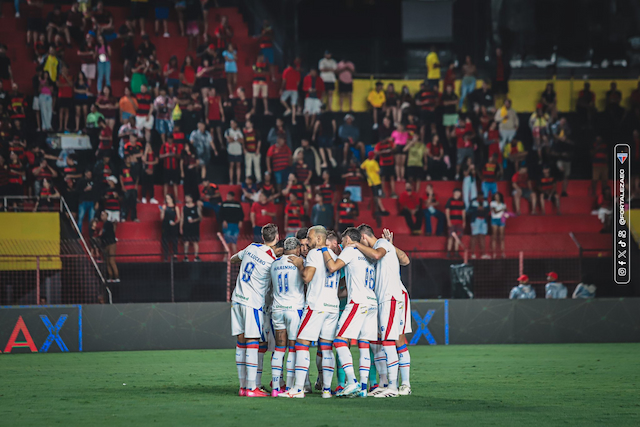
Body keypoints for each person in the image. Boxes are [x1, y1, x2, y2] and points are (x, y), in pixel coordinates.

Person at [351, 224, 411, 398]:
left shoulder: (380, 245)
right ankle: (388, 384)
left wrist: (355, 245)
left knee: (391, 340)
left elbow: (402, 259)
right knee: (384, 341)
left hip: (391, 297)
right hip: (384, 299)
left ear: (363, 237)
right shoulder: (380, 248)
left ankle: (396, 385)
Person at [278, 226, 338, 399]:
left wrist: (299, 265)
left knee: (301, 344)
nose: (308, 242)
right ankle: (326, 390)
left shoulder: (313, 254)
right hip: (332, 307)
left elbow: (307, 277)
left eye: (310, 238)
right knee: (326, 348)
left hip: (316, 306)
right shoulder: (333, 256)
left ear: (319, 239)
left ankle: (298, 388)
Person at [321, 227, 377, 398]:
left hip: (357, 302)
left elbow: (332, 267)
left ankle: (352, 381)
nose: (341, 243)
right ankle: (363, 389)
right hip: (372, 303)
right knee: (364, 345)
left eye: (343, 240)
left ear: (349, 240)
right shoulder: (367, 255)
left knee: (339, 340)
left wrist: (323, 249)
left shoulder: (350, 250)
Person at [231, 223, 278, 398]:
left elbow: (233, 259)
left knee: (241, 342)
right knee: (252, 342)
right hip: (252, 303)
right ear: (277, 237)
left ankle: (243, 387)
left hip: (237, 299)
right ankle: (252, 388)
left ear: (262, 236)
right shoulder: (272, 260)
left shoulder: (251, 247)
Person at [360, 152, 390, 216]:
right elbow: (378, 171)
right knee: (378, 196)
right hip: (376, 181)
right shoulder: (374, 162)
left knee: (375, 195)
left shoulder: (366, 161)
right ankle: (381, 210)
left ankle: (379, 209)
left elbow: (362, 167)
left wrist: (366, 173)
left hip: (370, 182)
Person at [99, 210, 119, 283]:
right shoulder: (105, 224)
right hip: (106, 244)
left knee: (111, 261)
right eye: (101, 215)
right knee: (107, 261)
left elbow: (106, 234)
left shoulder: (108, 224)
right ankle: (111, 277)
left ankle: (116, 277)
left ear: (107, 216)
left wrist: (101, 236)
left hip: (111, 244)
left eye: (103, 215)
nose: (102, 217)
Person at [180, 194, 201, 262]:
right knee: (186, 242)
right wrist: (181, 227)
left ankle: (196, 256)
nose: (186, 199)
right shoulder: (184, 208)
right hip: (186, 227)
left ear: (191, 199)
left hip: (194, 227)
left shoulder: (196, 207)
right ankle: (186, 256)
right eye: (186, 198)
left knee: (195, 241)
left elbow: (200, 217)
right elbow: (182, 218)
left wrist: (194, 220)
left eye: (188, 198)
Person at [468, 193, 490, 259]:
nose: (481, 197)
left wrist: (484, 209)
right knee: (474, 236)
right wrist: (477, 209)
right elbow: (469, 211)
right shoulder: (473, 202)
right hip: (475, 220)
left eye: (482, 196)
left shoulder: (485, 202)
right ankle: (472, 254)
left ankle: (483, 254)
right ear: (477, 196)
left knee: (482, 237)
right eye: (479, 196)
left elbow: (488, 210)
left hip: (483, 221)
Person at [445, 188, 465, 258]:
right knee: (450, 237)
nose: (458, 194)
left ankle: (456, 252)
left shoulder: (462, 202)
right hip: (452, 222)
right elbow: (447, 211)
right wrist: (448, 220)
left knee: (458, 237)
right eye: (457, 192)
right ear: (454, 193)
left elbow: (463, 212)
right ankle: (449, 252)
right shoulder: (450, 201)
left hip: (459, 222)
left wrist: (464, 221)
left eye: (459, 192)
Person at [280, 59, 301, 124]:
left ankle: (288, 109)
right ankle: (293, 120)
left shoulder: (286, 71)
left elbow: (284, 81)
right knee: (294, 105)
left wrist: (281, 89)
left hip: (288, 89)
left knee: (282, 100)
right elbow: (298, 83)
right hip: (294, 89)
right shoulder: (297, 73)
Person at [160, 193, 181, 261]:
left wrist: (175, 223)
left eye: (168, 198)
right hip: (165, 225)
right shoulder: (164, 207)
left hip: (173, 225)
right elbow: (161, 218)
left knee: (174, 240)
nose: (167, 200)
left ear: (171, 199)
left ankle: (175, 255)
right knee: (165, 240)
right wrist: (162, 211)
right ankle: (166, 256)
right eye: (166, 198)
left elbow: (178, 218)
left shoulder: (176, 207)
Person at [159, 135, 180, 200]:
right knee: (166, 183)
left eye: (171, 139)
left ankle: (176, 199)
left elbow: (179, 156)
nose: (170, 140)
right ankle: (165, 199)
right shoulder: (164, 146)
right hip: (166, 168)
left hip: (174, 167)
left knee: (175, 183)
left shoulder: (176, 146)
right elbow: (160, 156)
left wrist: (174, 155)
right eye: (169, 139)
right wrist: (167, 155)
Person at [120, 155, 139, 222]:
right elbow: (121, 177)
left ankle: (134, 217)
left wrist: (136, 185)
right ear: (125, 160)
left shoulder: (133, 167)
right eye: (127, 158)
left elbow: (137, 177)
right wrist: (122, 186)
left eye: (129, 158)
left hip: (133, 188)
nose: (129, 160)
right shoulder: (122, 167)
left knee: (133, 204)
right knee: (125, 204)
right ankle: (123, 217)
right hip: (126, 188)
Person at [243, 119, 261, 183]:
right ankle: (248, 180)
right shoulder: (245, 133)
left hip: (255, 152)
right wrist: (244, 149)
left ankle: (258, 180)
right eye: (246, 123)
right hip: (248, 152)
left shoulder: (255, 132)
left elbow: (259, 141)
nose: (246, 124)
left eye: (248, 123)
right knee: (248, 167)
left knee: (257, 167)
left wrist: (258, 149)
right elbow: (243, 142)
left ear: (251, 124)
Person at [141, 140, 158, 204]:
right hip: (145, 171)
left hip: (152, 171)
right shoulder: (145, 153)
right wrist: (146, 151)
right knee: (144, 184)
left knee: (151, 185)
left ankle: (152, 198)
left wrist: (148, 163)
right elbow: (143, 160)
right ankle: (143, 197)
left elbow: (156, 161)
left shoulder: (154, 153)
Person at [490, 192, 506, 259]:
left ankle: (503, 253)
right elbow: (495, 211)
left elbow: (506, 212)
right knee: (494, 236)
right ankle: (494, 253)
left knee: (501, 237)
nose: (497, 197)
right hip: (494, 219)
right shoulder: (492, 203)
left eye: (498, 196)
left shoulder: (503, 204)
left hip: (501, 219)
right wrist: (502, 209)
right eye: (495, 196)